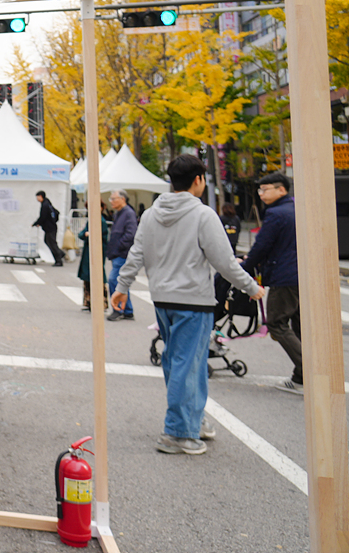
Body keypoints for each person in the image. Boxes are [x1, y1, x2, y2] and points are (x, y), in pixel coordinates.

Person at [112, 155, 263, 455]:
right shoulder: (203, 215)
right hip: (193, 300)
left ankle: (193, 420)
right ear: (198, 180)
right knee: (187, 364)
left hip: (162, 301)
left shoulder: (152, 214)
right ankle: (179, 432)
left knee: (176, 362)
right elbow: (224, 262)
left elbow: (136, 253)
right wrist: (252, 287)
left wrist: (122, 287)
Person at [242, 173, 302, 395]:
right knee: (299, 325)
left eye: (265, 189)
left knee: (276, 322)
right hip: (300, 275)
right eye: (260, 190)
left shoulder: (276, 214)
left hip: (284, 276)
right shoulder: (296, 209)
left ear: (281, 190)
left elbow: (262, 246)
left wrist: (246, 266)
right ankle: (300, 377)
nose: (261, 193)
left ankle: (306, 372)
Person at [106, 190, 138, 321]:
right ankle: (127, 310)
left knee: (114, 279)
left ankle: (118, 309)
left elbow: (131, 234)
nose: (111, 201)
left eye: (114, 199)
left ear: (123, 199)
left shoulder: (128, 213)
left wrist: (119, 246)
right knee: (121, 281)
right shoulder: (120, 213)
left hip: (122, 254)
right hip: (118, 253)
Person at [77, 213, 109, 312]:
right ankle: (89, 300)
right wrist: (85, 234)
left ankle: (101, 302)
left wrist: (88, 234)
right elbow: (82, 233)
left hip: (97, 250)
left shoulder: (101, 221)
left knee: (97, 275)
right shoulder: (91, 219)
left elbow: (99, 236)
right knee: (87, 275)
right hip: (89, 250)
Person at [32, 190, 65, 266]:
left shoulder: (45, 205)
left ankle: (59, 259)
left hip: (50, 227)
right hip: (50, 227)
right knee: (48, 241)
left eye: (37, 197)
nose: (37, 199)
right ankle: (60, 253)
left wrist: (36, 223)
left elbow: (43, 217)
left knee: (52, 243)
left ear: (41, 196)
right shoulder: (47, 203)